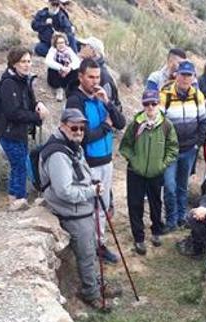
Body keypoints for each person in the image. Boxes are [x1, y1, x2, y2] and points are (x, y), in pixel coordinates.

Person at [39, 109, 119, 310]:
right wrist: (91, 191)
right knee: (86, 253)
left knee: (91, 249)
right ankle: (91, 293)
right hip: (71, 211)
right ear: (62, 126)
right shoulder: (58, 154)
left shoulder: (73, 147)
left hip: (80, 208)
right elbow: (64, 191)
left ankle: (95, 283)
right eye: (74, 127)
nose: (79, 131)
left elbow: (80, 174)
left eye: (82, 128)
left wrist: (91, 183)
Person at [65, 58, 126, 264]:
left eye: (97, 77)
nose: (94, 81)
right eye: (90, 77)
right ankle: (88, 247)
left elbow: (121, 122)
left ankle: (99, 244)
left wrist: (107, 103)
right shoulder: (75, 101)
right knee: (89, 207)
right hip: (88, 163)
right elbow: (85, 136)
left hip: (107, 161)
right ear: (81, 77)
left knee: (103, 205)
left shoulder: (101, 97)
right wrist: (106, 127)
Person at [119, 89, 178, 255]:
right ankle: (139, 238)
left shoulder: (166, 125)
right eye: (147, 103)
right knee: (135, 204)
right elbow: (125, 146)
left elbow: (172, 147)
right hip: (135, 172)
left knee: (155, 203)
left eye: (153, 103)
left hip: (155, 172)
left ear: (158, 104)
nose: (150, 107)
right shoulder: (136, 124)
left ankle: (156, 232)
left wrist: (162, 164)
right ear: (143, 105)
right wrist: (134, 160)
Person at [0, 46, 47, 200]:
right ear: (13, 63)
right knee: (20, 166)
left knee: (19, 165)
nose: (27, 65)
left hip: (19, 132)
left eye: (29, 61)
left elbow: (29, 102)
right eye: (23, 61)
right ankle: (18, 198)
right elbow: (13, 112)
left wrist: (39, 104)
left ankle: (14, 197)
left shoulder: (23, 81)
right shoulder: (9, 84)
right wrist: (36, 117)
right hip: (10, 132)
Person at [159, 59, 206, 232]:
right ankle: (171, 220)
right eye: (183, 75)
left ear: (193, 77)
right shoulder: (165, 95)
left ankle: (181, 218)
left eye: (189, 75)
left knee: (182, 185)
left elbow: (203, 122)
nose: (185, 79)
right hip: (170, 151)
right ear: (176, 75)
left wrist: (197, 144)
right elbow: (158, 123)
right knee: (169, 186)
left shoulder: (197, 96)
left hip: (189, 150)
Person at [71, 36, 122, 111]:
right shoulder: (85, 67)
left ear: (93, 51)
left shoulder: (103, 76)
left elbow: (108, 106)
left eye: (85, 46)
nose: (81, 47)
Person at [44, 32, 80, 102]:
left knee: (76, 70)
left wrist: (70, 68)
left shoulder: (69, 50)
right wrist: (61, 68)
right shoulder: (53, 50)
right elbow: (48, 61)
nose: (61, 45)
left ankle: (71, 89)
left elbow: (77, 61)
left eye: (63, 42)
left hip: (67, 73)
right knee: (51, 69)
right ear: (55, 44)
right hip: (57, 75)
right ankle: (59, 89)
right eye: (59, 43)